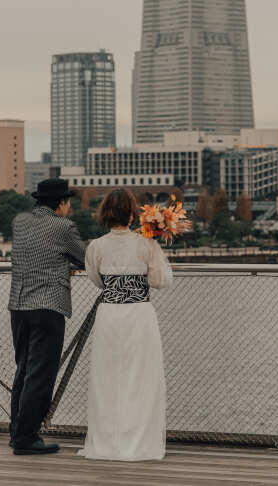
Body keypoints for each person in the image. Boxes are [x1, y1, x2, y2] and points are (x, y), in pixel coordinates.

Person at [79, 189, 173, 461]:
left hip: (109, 313)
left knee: (107, 378)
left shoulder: (96, 246)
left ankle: (108, 439)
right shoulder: (146, 244)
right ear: (133, 214)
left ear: (105, 213)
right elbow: (160, 281)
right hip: (138, 314)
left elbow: (96, 279)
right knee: (140, 377)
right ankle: (137, 439)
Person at [7, 178, 85, 455]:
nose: (70, 208)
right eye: (69, 203)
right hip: (47, 306)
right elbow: (86, 257)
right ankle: (26, 438)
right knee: (41, 373)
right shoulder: (63, 227)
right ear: (61, 203)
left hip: (19, 305)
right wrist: (66, 264)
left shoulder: (21, 222)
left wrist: (60, 262)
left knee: (24, 371)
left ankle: (17, 431)